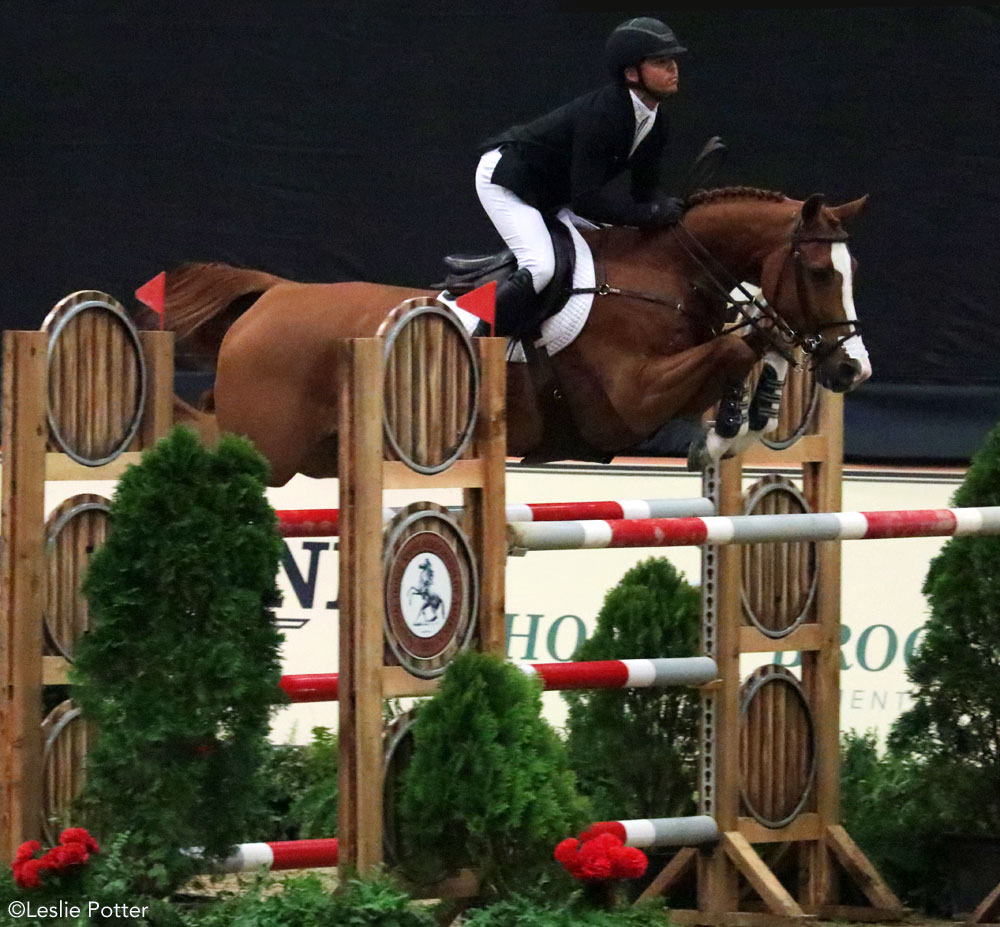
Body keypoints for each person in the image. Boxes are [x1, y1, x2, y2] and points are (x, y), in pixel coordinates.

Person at [475, 16, 689, 337]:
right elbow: (587, 202)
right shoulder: (604, 115)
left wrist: (678, 211)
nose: (673, 68)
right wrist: (653, 213)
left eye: (673, 60)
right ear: (631, 73)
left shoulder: (657, 122)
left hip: (548, 193)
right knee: (540, 268)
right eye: (661, 61)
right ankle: (474, 342)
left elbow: (645, 194)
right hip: (508, 180)